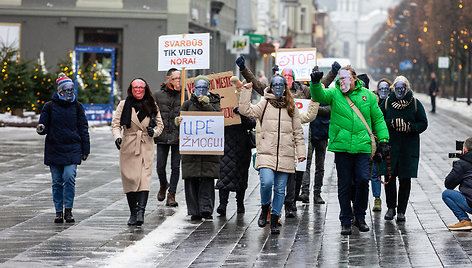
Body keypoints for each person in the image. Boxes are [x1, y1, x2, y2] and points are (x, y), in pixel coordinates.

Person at [236, 55, 337, 216]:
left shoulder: (302, 92)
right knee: (269, 182)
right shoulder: (266, 101)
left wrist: (331, 73)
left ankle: (290, 203)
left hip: (294, 141)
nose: (287, 79)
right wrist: (243, 70)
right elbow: (256, 85)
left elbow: (319, 88)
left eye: (290, 76)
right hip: (270, 145)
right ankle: (270, 208)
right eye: (285, 76)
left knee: (295, 175)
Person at [309, 65, 390, 235]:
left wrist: (383, 140)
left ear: (354, 78)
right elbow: (319, 95)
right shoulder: (335, 93)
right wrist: (315, 83)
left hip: (362, 147)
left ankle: (360, 216)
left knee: (362, 180)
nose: (342, 81)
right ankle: (346, 219)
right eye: (340, 78)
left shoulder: (368, 96)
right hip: (342, 147)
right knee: (344, 184)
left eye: (345, 77)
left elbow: (378, 119)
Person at [238, 74, 306, 234]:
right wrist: (246, 92)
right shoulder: (265, 104)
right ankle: (264, 208)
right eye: (274, 85)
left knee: (281, 189)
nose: (277, 88)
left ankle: (275, 219)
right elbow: (245, 110)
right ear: (270, 87)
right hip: (266, 153)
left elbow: (298, 131)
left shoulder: (291, 107)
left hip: (286, 154)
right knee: (266, 182)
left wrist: (301, 152)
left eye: (280, 86)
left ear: (284, 88)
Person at [37, 72, 90, 224]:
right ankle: (58, 211)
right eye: (65, 90)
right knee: (57, 182)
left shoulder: (78, 107)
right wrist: (41, 128)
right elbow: (43, 126)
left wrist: (85, 149)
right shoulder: (49, 106)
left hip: (73, 147)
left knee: (69, 178)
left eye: (71, 90)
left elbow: (83, 128)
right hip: (55, 148)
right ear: (59, 91)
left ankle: (69, 210)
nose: (68, 93)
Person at [112, 78, 164, 226]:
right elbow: (116, 125)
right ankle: (133, 212)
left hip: (145, 144)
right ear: (131, 89)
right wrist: (117, 137)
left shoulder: (152, 105)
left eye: (141, 88)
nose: (139, 90)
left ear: (145, 89)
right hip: (128, 145)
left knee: (144, 179)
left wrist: (152, 131)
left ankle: (141, 211)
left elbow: (160, 126)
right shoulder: (124, 104)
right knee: (130, 179)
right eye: (136, 88)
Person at [380, 75, 428, 222]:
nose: (400, 91)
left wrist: (410, 127)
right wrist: (391, 122)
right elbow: (378, 120)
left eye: (403, 88)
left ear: (406, 88)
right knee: (389, 178)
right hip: (391, 147)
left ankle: (401, 211)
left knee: (405, 179)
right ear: (393, 88)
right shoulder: (387, 103)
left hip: (408, 148)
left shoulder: (414, 103)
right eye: (397, 88)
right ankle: (390, 208)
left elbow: (423, 123)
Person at [177, 75, 221, 221]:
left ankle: (206, 210)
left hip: (208, 152)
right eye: (198, 88)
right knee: (191, 181)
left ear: (208, 89)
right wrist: (179, 121)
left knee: (207, 181)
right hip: (191, 152)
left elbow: (218, 121)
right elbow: (181, 123)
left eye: (204, 88)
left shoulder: (215, 102)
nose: (201, 91)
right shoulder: (187, 104)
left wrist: (207, 105)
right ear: (193, 89)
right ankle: (194, 211)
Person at [215, 79, 256, 216]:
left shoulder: (247, 106)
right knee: (224, 173)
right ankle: (222, 204)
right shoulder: (220, 104)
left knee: (241, 174)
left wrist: (241, 114)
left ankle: (240, 203)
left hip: (242, 146)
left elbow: (251, 123)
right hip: (226, 143)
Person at [154, 68, 185, 207]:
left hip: (178, 136)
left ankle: (171, 194)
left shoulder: (185, 95)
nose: (178, 81)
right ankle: (163, 183)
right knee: (160, 165)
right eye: (175, 78)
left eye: (180, 78)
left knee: (175, 167)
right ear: (169, 79)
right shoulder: (158, 95)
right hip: (163, 135)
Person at [370, 78, 392, 211]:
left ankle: (391, 204)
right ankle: (377, 198)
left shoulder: (393, 102)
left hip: (389, 142)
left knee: (389, 173)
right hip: (377, 141)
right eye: (381, 89)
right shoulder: (373, 101)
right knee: (375, 172)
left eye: (386, 89)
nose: (383, 91)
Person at [442, 137, 472, 230]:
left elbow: (448, 184)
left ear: (464, 150)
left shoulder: (462, 164)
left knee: (447, 194)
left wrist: (456, 168)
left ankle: (464, 221)